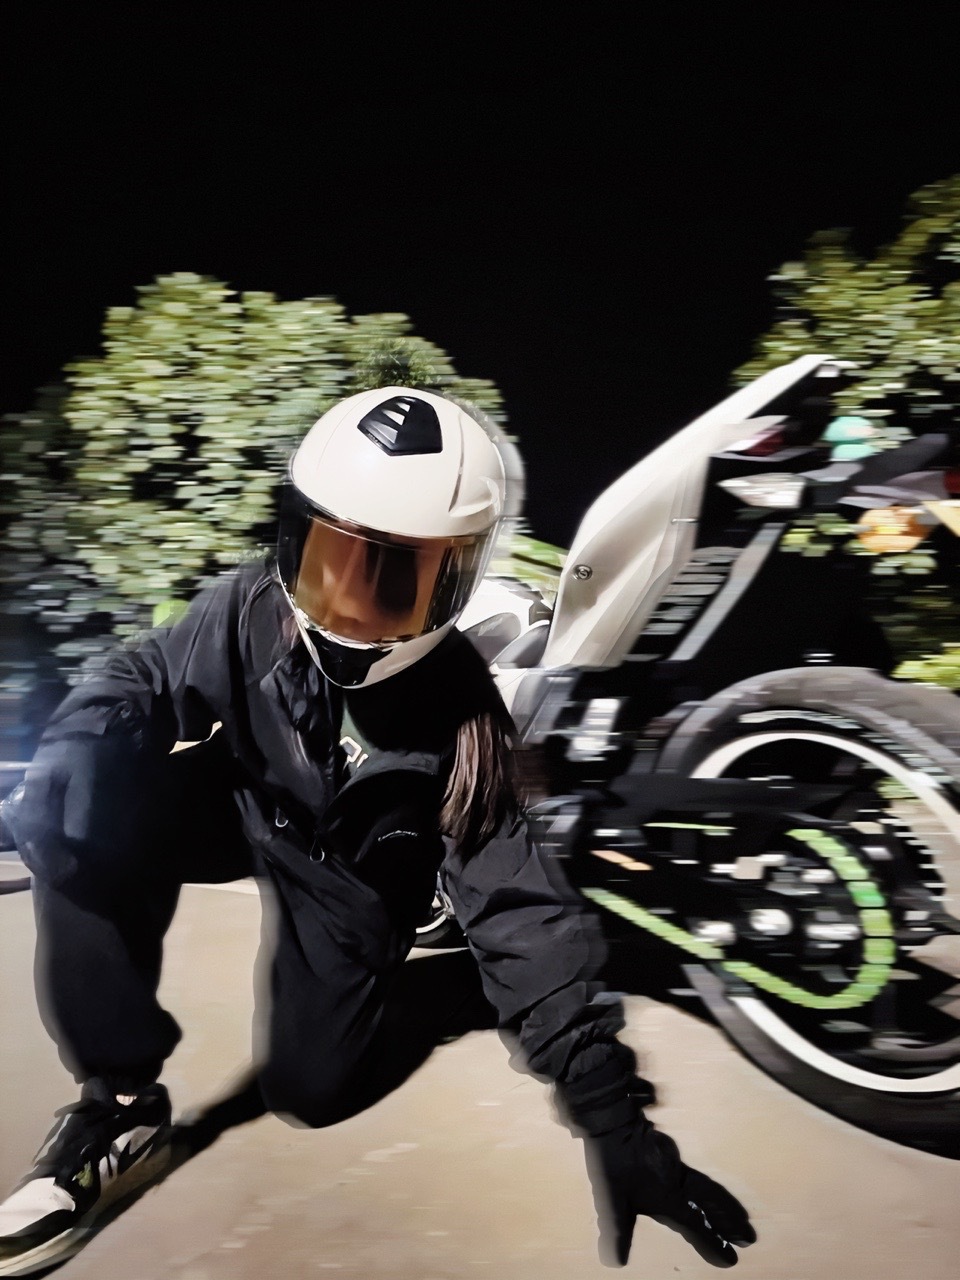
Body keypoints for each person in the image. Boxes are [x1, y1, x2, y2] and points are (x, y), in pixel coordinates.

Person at [0, 386, 755, 1274]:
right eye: (329, 558)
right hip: (250, 806)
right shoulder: (249, 606)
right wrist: (83, 739)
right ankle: (119, 1107)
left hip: (354, 880)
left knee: (312, 1090)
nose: (346, 604)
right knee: (74, 813)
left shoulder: (467, 719)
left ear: (457, 579)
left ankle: (454, 989)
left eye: (395, 579)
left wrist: (615, 1124)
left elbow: (521, 911)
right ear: (293, 533)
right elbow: (144, 673)